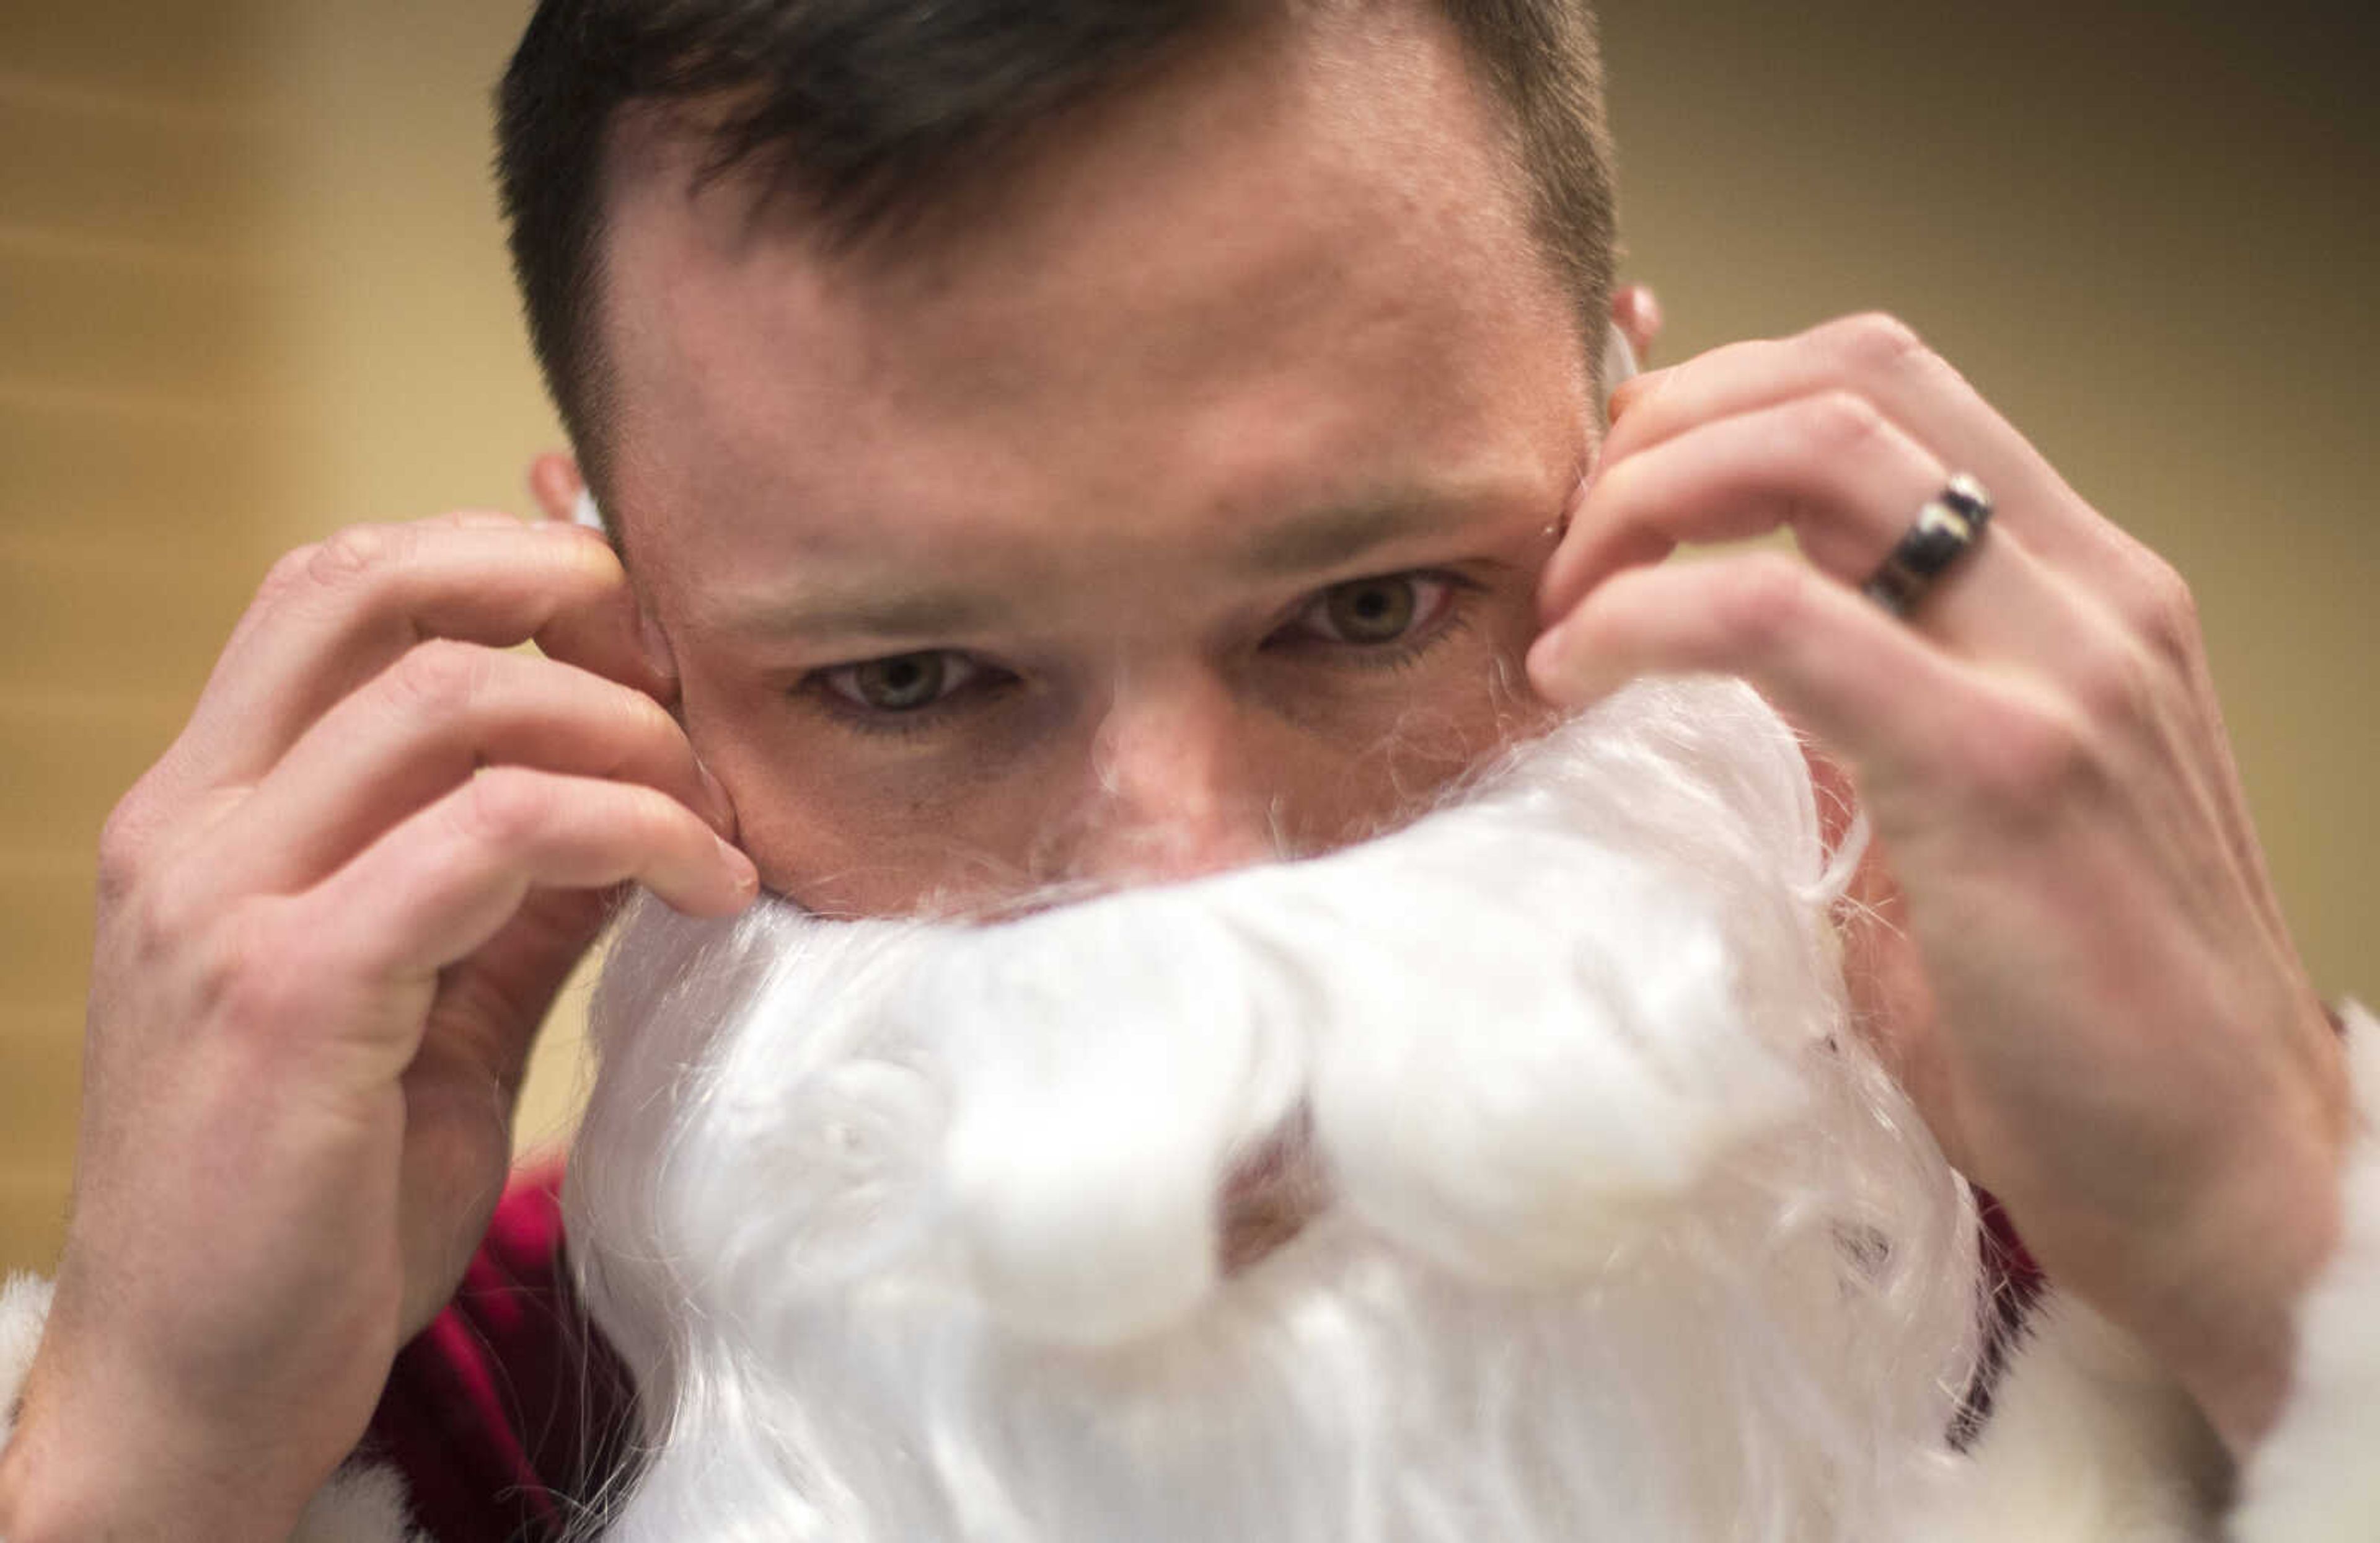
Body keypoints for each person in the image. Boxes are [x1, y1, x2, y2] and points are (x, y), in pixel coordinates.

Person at [0, 0, 2369, 1539]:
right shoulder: (409, 1430)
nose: (1181, 884)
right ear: (630, 649)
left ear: (1640, 459)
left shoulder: (2120, 1290)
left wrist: (2287, 1239)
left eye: (1368, 612)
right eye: (916, 682)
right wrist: (137, 1450)